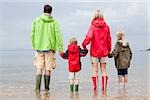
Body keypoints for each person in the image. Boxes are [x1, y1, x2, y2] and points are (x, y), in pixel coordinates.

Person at [31, 4, 63, 93]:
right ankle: (46, 89)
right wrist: (60, 48)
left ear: (43, 11)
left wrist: (34, 45)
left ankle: (37, 89)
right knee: (48, 69)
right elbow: (58, 36)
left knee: (39, 68)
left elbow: (32, 34)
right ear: (51, 12)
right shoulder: (54, 22)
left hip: (39, 48)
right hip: (50, 48)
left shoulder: (36, 20)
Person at [82, 10, 111, 92]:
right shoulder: (106, 27)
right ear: (102, 16)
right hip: (104, 51)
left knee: (95, 70)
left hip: (94, 51)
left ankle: (95, 90)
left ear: (94, 16)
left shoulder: (93, 26)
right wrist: (109, 50)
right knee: (104, 70)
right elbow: (109, 39)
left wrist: (84, 45)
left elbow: (88, 37)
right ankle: (104, 90)